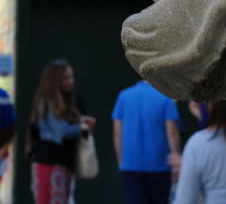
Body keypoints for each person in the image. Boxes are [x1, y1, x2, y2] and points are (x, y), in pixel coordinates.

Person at [28, 59, 96, 204]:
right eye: (66, 77)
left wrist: (83, 125)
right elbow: (61, 131)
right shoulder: (47, 101)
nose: (71, 81)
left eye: (72, 76)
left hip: (63, 163)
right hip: (49, 163)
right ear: (55, 80)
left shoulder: (69, 101)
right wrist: (81, 127)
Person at [112, 80, 181, 204]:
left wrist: (121, 162)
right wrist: (176, 159)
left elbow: (117, 133)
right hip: (160, 167)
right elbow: (172, 133)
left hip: (130, 166)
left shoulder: (124, 96)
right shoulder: (166, 98)